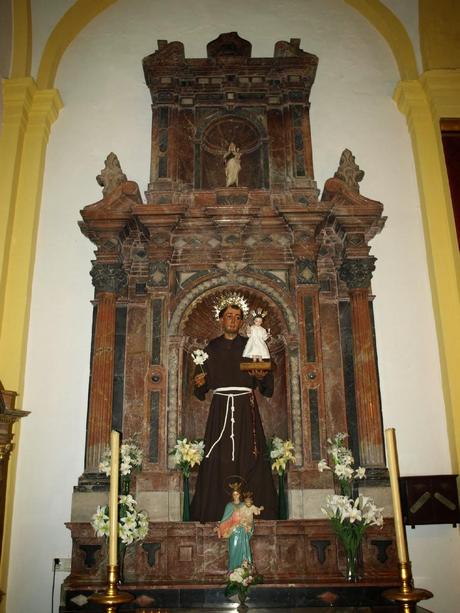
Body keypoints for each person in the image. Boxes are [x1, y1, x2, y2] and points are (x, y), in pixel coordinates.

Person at [190, 296, 277, 523]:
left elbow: (266, 384)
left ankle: (253, 512)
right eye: (229, 316)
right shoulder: (211, 348)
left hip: (245, 409)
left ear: (241, 323)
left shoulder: (249, 346)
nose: (233, 320)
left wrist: (262, 375)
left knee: (250, 455)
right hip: (220, 409)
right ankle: (215, 511)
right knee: (218, 458)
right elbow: (200, 388)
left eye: (238, 317)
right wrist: (198, 383)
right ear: (220, 319)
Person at [216, 484, 253, 571]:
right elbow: (225, 519)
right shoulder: (229, 506)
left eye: (237, 494)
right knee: (233, 551)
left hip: (243, 532)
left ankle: (245, 571)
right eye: (234, 494)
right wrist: (220, 526)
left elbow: (250, 518)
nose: (236, 496)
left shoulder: (244, 505)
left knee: (244, 550)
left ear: (240, 495)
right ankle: (233, 570)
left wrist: (247, 525)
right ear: (232, 495)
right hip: (233, 532)